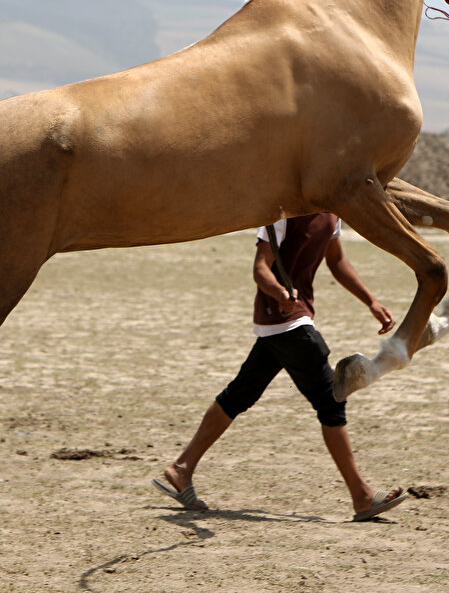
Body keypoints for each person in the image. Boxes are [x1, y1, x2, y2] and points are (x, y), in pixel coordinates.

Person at [152, 213, 408, 521]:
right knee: (330, 400)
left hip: (284, 324)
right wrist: (279, 292)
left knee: (239, 395)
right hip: (286, 320)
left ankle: (182, 468)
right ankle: (362, 496)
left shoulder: (332, 211)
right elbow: (261, 269)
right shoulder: (282, 215)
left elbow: (337, 260)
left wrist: (371, 301)